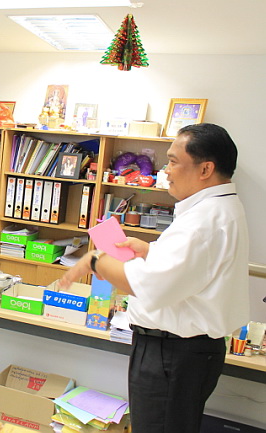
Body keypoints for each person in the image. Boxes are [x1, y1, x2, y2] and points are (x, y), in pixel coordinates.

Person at [58, 123, 249, 433]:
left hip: (172, 354)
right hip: (185, 352)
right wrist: (149, 250)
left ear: (205, 169)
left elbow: (146, 285)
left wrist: (95, 260)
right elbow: (193, 268)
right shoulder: (219, 208)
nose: (166, 171)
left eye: (173, 161)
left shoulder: (204, 219)